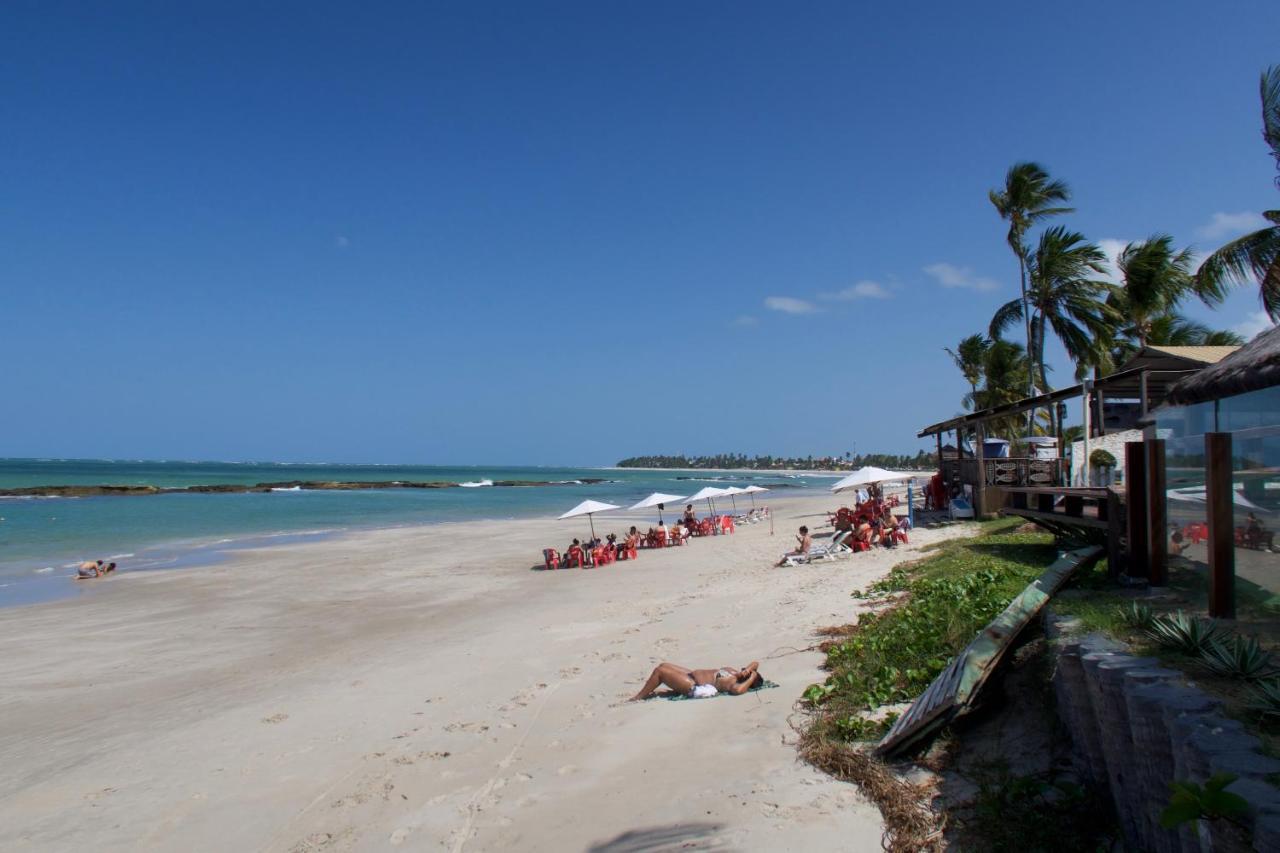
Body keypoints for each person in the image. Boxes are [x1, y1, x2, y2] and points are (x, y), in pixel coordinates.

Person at [630, 660, 764, 701]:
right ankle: (655, 690)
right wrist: (749, 669)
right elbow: (756, 663)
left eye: (748, 674)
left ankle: (639, 696)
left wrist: (751, 677)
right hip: (690, 673)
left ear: (748, 680)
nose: (744, 671)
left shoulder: (733, 684)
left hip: (693, 684)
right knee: (663, 665)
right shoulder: (735, 672)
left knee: (660, 672)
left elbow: (739, 691)